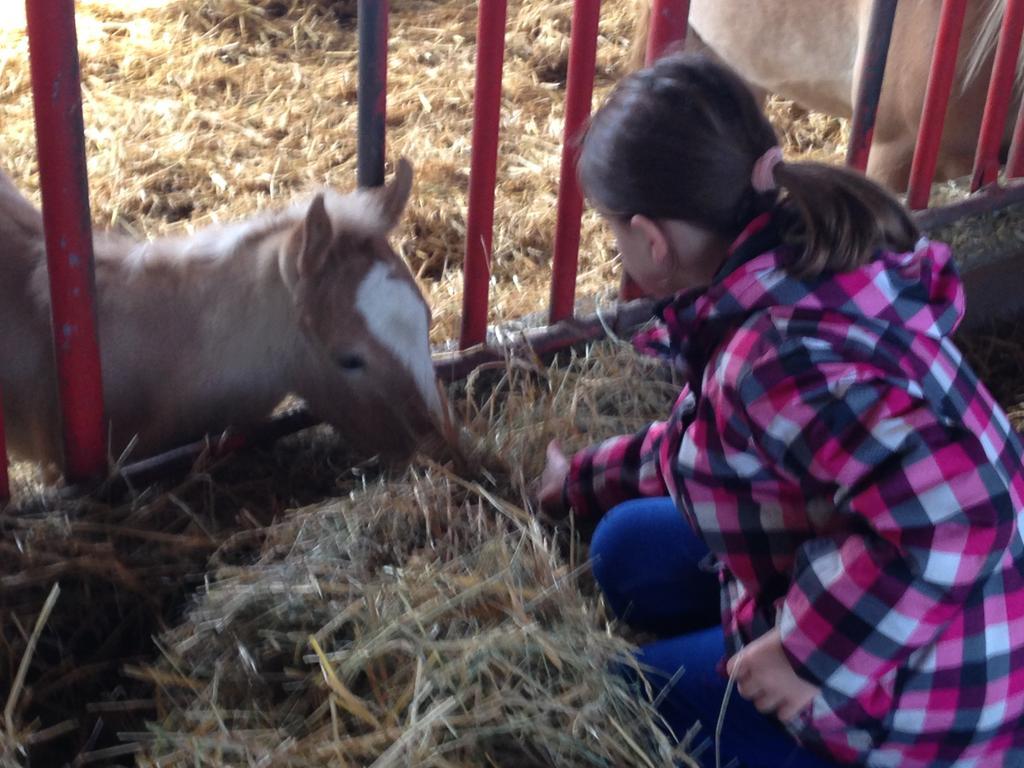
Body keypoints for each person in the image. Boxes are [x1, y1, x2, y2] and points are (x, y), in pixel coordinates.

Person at [536, 52, 1024, 768]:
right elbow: (706, 443)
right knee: (623, 549)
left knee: (622, 703)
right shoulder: (794, 263)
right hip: (946, 603)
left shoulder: (771, 357)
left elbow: (958, 516)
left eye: (612, 232)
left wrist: (804, 652)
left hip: (941, 705)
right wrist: (579, 478)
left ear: (650, 240)